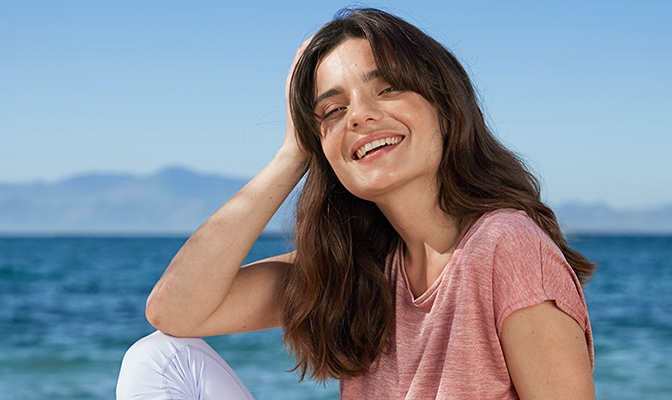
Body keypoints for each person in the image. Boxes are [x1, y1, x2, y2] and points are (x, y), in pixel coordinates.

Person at [118, 8, 598, 400]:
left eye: (387, 88)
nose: (361, 116)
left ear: (445, 108)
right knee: (157, 358)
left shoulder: (506, 245)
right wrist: (291, 155)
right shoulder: (360, 266)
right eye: (333, 110)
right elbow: (175, 312)